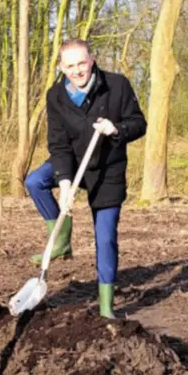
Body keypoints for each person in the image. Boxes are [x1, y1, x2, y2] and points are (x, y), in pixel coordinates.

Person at [24, 38, 146, 319]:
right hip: (74, 161)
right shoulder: (55, 96)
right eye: (70, 66)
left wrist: (116, 129)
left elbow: (139, 124)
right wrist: (65, 184)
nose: (77, 70)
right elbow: (58, 144)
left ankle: (106, 307)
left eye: (82, 63)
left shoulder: (117, 85)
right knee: (35, 181)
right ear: (61, 67)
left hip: (107, 168)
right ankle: (61, 239)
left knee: (105, 239)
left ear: (91, 60)